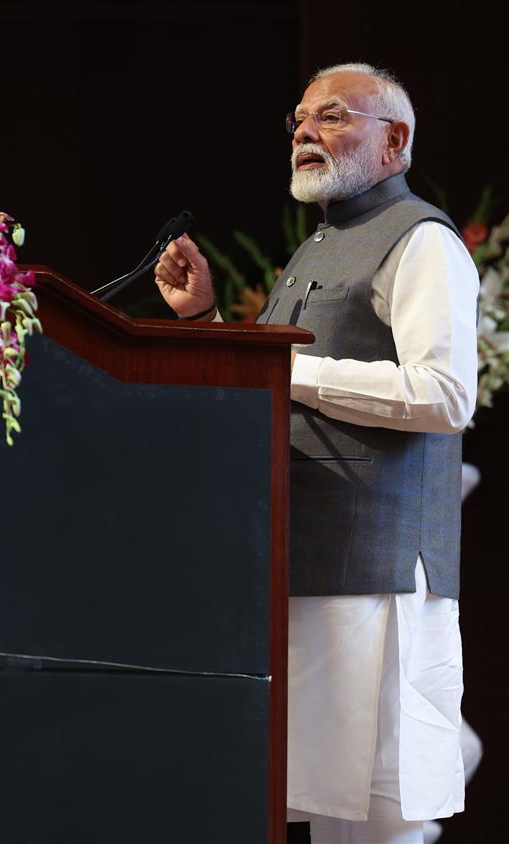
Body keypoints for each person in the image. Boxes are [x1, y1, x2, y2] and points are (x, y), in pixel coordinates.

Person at [153, 63, 478, 844]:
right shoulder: (318, 247)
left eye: (332, 116)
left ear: (394, 141)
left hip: (375, 571)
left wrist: (284, 367)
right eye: (299, 118)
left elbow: (445, 393)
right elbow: (281, 389)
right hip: (302, 565)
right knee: (322, 814)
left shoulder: (423, 240)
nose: (304, 131)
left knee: (376, 825)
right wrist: (204, 326)